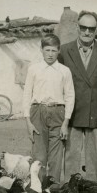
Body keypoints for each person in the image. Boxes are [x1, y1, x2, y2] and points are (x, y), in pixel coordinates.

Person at [59, 10, 97, 182]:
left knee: (96, 158)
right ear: (77, 27)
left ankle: (94, 192)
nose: (87, 32)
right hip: (73, 112)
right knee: (71, 157)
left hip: (96, 113)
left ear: (96, 30)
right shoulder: (64, 50)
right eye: (83, 27)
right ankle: (70, 191)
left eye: (91, 29)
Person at [22, 34, 75, 182]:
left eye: (53, 50)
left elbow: (70, 96)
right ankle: (38, 190)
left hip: (58, 112)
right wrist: (28, 121)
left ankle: (54, 190)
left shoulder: (65, 71)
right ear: (41, 50)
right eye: (47, 50)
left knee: (56, 156)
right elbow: (27, 94)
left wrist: (65, 122)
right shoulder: (34, 69)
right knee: (39, 155)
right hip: (38, 111)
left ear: (58, 51)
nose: (50, 54)